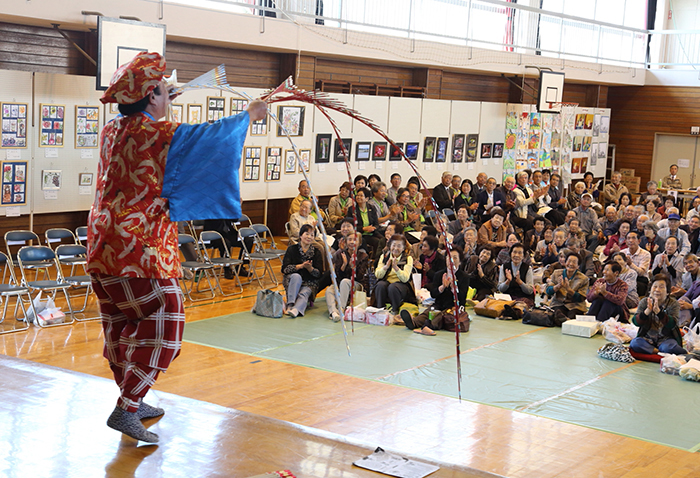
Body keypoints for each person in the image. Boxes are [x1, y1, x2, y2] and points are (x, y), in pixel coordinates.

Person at [88, 52, 267, 443]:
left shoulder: (113, 131)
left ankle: (131, 398)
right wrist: (250, 115)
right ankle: (128, 406)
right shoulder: (158, 133)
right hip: (140, 247)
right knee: (166, 319)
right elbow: (211, 139)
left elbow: (148, 131)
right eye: (161, 91)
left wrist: (159, 100)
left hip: (103, 245)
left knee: (123, 325)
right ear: (152, 96)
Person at [402, 248, 468, 336]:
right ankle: (414, 323)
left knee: (440, 316)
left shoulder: (464, 277)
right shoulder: (439, 274)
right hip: (439, 304)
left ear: (460, 261)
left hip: (454, 308)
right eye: (449, 257)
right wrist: (442, 287)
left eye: (455, 257)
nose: (451, 260)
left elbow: (462, 298)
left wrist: (453, 288)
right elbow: (433, 294)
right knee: (428, 312)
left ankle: (427, 326)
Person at [630, 274, 686, 355]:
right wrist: (647, 311)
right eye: (655, 286)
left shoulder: (673, 303)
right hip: (647, 338)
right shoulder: (644, 302)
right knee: (634, 343)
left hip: (666, 339)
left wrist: (659, 313)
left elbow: (673, 324)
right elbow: (636, 322)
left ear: (667, 292)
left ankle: (653, 350)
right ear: (650, 290)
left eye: (661, 287)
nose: (657, 290)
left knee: (670, 347)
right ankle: (658, 352)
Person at [282, 224, 324, 318]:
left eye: (312, 235)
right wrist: (300, 266)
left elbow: (319, 274)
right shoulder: (292, 249)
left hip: (310, 282)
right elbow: (284, 269)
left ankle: (296, 310)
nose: (309, 237)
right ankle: (290, 305)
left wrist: (310, 269)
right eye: (307, 234)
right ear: (301, 235)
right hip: (292, 280)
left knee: (304, 293)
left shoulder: (317, 252)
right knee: (297, 276)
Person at [326, 232, 369, 322]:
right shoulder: (340, 254)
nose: (352, 242)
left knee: (345, 282)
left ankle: (341, 309)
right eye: (349, 239)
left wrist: (352, 267)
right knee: (330, 290)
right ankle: (334, 312)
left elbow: (360, 277)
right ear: (345, 242)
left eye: (355, 240)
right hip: (341, 283)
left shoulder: (363, 256)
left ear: (359, 243)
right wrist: (344, 265)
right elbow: (337, 277)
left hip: (356, 284)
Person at [374, 235, 414, 322]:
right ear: (390, 246)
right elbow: (377, 275)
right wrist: (385, 267)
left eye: (399, 246)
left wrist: (396, 268)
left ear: (403, 248)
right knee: (380, 285)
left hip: (401, 285)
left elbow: (405, 278)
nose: (396, 248)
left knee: (393, 287)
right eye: (394, 245)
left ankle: (395, 312)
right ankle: (380, 310)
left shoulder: (408, 258)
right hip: (387, 282)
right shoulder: (384, 257)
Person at [546, 252, 590, 320]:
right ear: (565, 262)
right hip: (558, 304)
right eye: (569, 261)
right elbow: (548, 291)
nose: (571, 264)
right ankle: (564, 320)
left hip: (575, 306)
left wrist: (569, 290)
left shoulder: (584, 279)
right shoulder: (556, 273)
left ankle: (566, 320)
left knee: (573, 315)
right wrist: (557, 286)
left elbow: (581, 298)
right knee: (556, 312)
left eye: (574, 262)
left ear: (578, 266)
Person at [346, 187, 382, 256]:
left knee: (383, 240)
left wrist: (373, 228)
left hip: (372, 232)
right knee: (376, 241)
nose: (358, 197)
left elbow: (376, 224)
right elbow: (351, 226)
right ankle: (373, 259)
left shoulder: (372, 208)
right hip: (360, 234)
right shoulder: (352, 210)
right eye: (357, 195)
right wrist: (363, 229)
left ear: (367, 198)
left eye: (361, 195)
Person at [497, 242, 535, 307]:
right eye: (514, 252)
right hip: (508, 298)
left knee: (520, 306)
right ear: (510, 254)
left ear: (523, 256)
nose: (516, 255)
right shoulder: (504, 267)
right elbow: (500, 288)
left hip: (523, 298)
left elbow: (530, 291)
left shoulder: (528, 268)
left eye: (520, 253)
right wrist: (507, 282)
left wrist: (520, 282)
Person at [625, 231, 652, 297]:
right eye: (628, 238)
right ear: (626, 241)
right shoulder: (622, 253)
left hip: (640, 280)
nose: (630, 240)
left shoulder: (645, 254)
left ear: (639, 241)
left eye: (633, 238)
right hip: (625, 279)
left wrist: (630, 264)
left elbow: (641, 272)